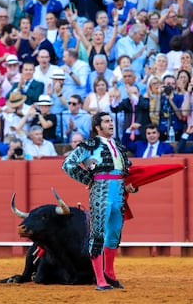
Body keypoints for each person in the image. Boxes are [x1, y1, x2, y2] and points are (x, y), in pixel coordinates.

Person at [62, 111, 136, 291]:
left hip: (118, 193)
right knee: (98, 235)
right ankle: (100, 279)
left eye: (112, 121)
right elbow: (68, 164)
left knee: (114, 234)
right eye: (107, 121)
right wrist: (88, 179)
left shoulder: (118, 146)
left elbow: (124, 173)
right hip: (100, 193)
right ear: (97, 127)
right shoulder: (89, 145)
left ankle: (109, 273)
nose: (111, 124)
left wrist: (129, 187)